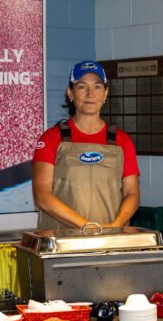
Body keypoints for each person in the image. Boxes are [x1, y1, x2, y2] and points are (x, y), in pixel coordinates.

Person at [32, 60, 140, 230]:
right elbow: (42, 195)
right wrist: (87, 227)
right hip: (63, 240)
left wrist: (115, 226)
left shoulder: (122, 140)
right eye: (82, 86)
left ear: (105, 94)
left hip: (109, 238)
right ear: (70, 93)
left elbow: (131, 193)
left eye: (97, 86)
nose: (90, 94)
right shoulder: (51, 138)